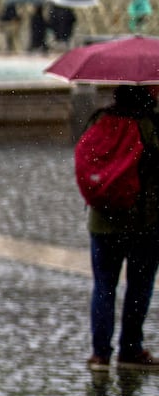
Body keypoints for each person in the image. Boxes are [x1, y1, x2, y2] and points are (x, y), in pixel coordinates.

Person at [84, 84, 159, 371]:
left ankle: (100, 354)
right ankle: (130, 350)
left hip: (102, 221)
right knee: (139, 287)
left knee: (103, 286)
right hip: (143, 222)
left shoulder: (99, 120)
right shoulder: (149, 125)